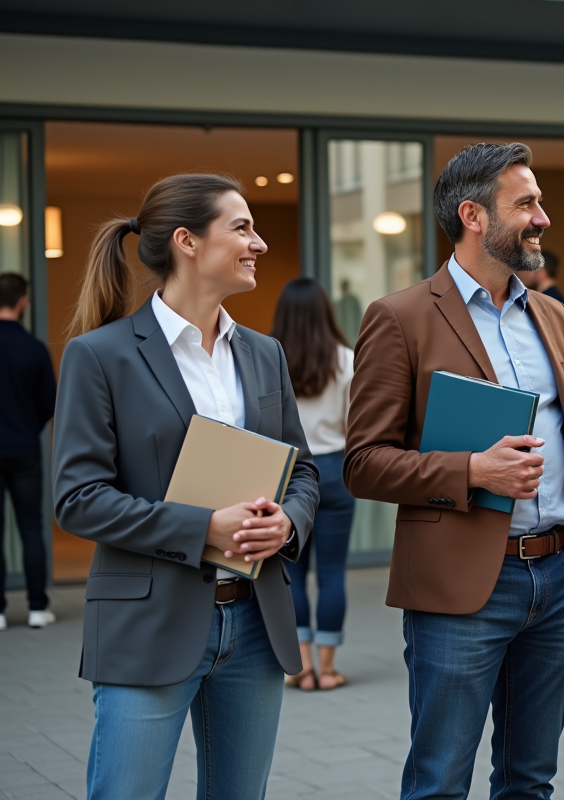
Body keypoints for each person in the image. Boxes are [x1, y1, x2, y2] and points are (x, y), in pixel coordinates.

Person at [343, 142, 564, 800]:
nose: (543, 217)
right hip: (460, 591)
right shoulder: (399, 318)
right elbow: (363, 463)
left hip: (561, 578)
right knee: (439, 784)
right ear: (474, 216)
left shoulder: (553, 316)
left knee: (530, 781)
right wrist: (471, 470)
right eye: (527, 204)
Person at [52, 174, 320, 800]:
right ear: (187, 242)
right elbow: (77, 497)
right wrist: (205, 528)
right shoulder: (101, 356)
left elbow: (301, 469)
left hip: (255, 625)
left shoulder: (264, 354)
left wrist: (288, 523)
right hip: (148, 623)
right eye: (242, 227)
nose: (259, 242)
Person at [271, 277, 357, 691]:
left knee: (292, 573)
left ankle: (301, 667)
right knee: (333, 574)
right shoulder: (345, 359)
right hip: (336, 471)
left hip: (288, 474)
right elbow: (351, 425)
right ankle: (327, 669)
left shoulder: (270, 358)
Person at [0, 272, 57, 631]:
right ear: (23, 301)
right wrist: (26, 429)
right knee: (31, 527)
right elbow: (48, 403)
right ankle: (38, 607)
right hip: (25, 450)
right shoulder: (34, 348)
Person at [519, 249, 564, 373]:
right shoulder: (558, 300)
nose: (524, 273)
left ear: (541, 272)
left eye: (530, 268)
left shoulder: (546, 303)